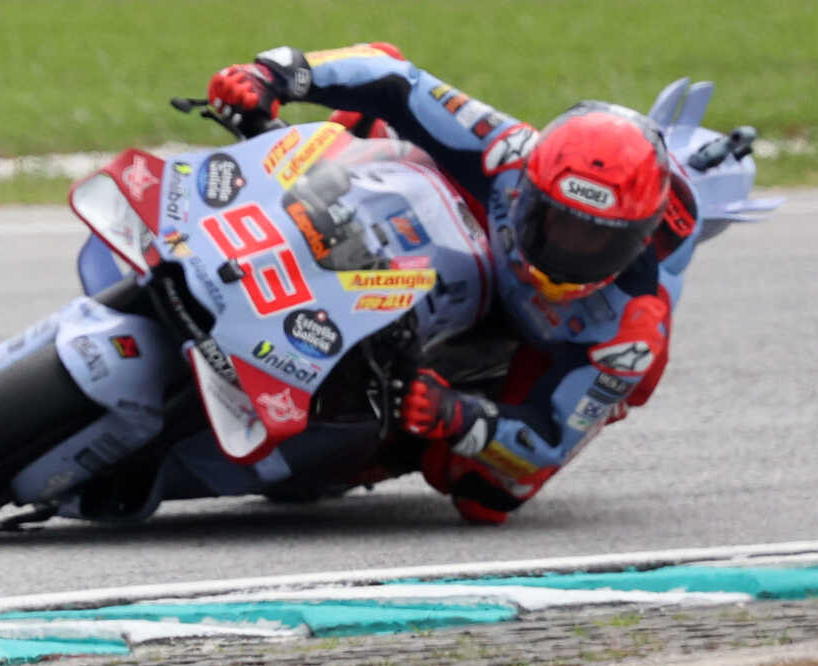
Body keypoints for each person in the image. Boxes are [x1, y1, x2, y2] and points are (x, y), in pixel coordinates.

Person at [207, 44, 694, 523]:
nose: (567, 249)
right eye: (556, 222)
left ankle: (366, 449)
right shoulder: (510, 155)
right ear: (531, 185)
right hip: (473, 247)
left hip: (542, 346)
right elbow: (398, 78)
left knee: (484, 492)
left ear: (637, 242)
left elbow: (547, 440)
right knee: (369, 123)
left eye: (595, 239)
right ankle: (259, 204)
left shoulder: (630, 333)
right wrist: (277, 74)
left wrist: (460, 416)